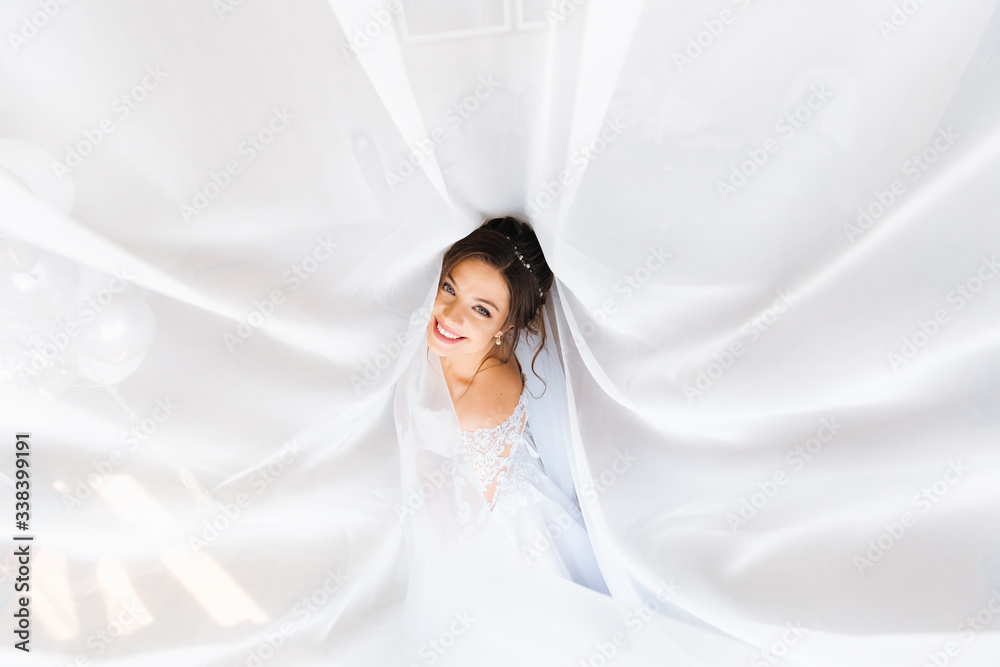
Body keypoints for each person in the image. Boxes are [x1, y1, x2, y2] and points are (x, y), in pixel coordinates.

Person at [393, 216, 609, 596]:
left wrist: (426, 467)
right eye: (449, 288)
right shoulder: (428, 330)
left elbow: (467, 522)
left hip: (504, 534)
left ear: (505, 329)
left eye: (482, 310)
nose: (451, 315)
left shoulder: (484, 405)